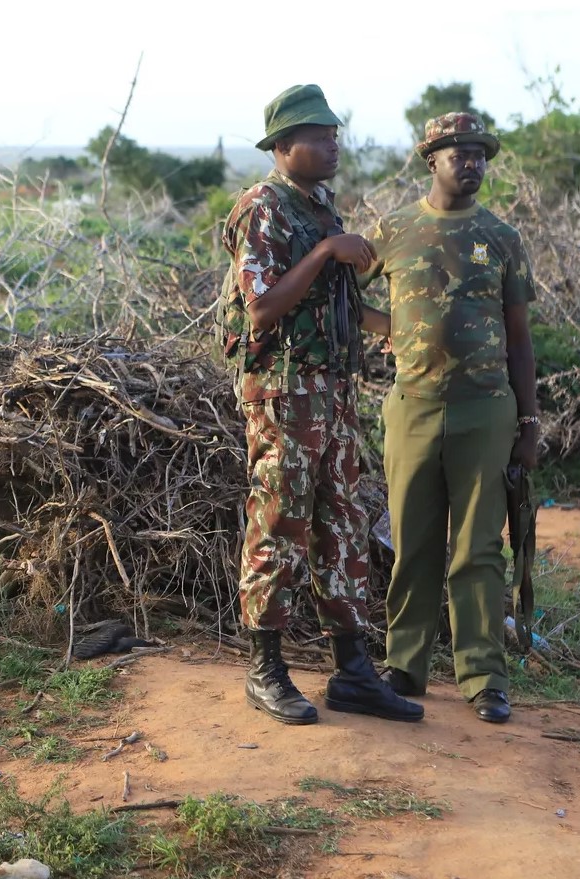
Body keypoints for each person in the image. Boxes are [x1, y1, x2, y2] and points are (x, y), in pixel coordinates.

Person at [220, 85, 423, 726]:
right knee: (278, 525)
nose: (334, 142)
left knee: (342, 526)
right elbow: (262, 307)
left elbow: (335, 308)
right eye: (319, 134)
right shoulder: (263, 208)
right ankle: (266, 669)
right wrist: (325, 251)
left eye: (336, 132)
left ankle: (353, 672)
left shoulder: (321, 207)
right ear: (283, 146)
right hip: (283, 393)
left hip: (331, 394)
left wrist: (403, 330)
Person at [363, 114, 538, 724]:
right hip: (411, 407)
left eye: (481, 155)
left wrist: (529, 425)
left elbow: (520, 340)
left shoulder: (502, 236)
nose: (472, 164)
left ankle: (483, 675)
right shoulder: (393, 229)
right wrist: (394, 332)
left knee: (479, 548)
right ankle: (405, 664)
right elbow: (341, 293)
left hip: (487, 410)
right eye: (459, 154)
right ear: (430, 160)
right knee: (412, 541)